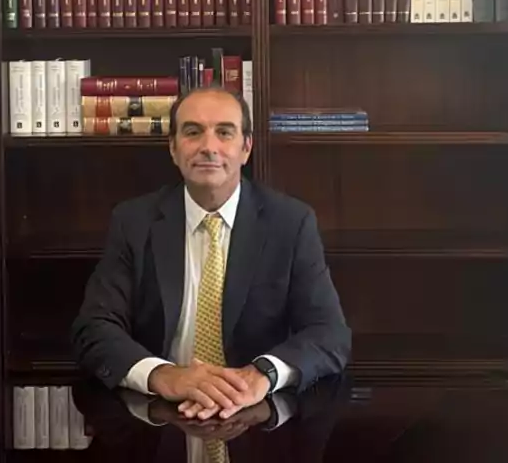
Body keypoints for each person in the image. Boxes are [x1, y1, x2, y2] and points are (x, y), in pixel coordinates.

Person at [70, 85, 351, 430]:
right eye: (192, 132)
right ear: (173, 148)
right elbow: (94, 329)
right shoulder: (134, 222)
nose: (208, 147)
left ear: (246, 148)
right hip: (160, 417)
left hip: (255, 417)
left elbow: (330, 333)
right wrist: (163, 375)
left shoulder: (291, 223)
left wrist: (262, 374)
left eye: (224, 132)